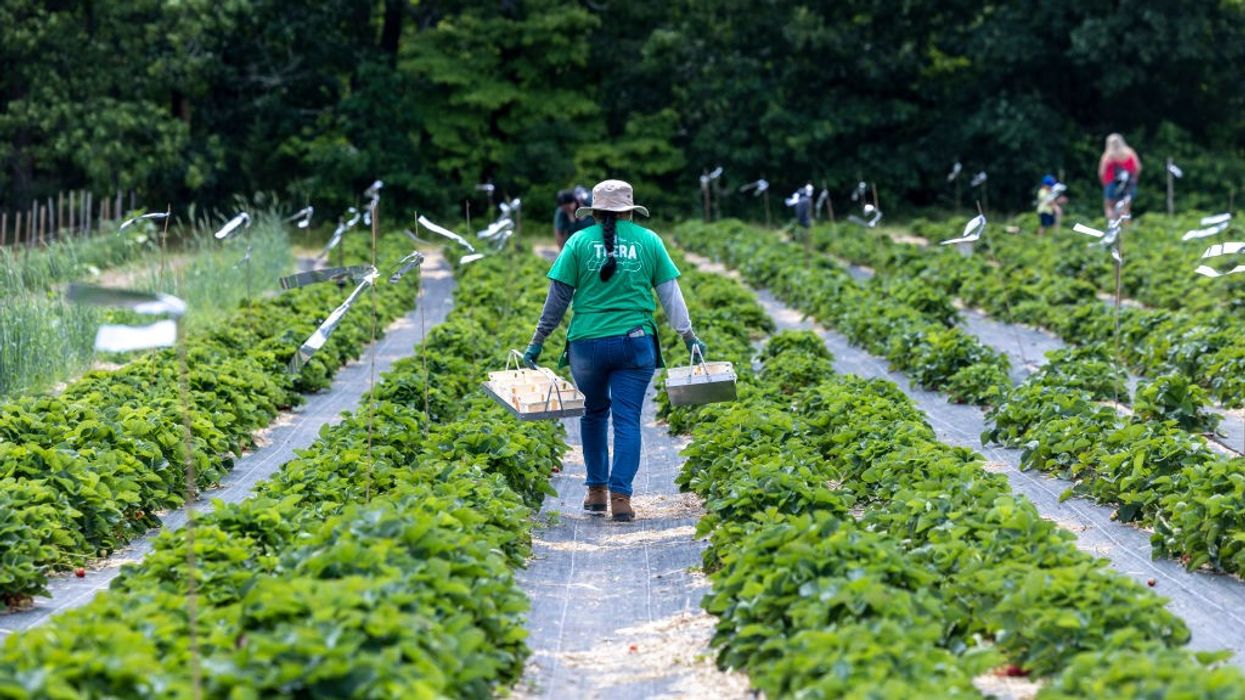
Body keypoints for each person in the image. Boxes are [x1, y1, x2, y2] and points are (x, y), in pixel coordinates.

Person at [523, 179, 706, 522]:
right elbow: (670, 295)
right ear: (629, 212)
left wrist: (537, 341)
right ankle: (621, 499)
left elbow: (557, 299)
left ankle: (595, 493)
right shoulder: (649, 241)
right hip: (634, 343)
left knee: (593, 415)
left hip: (586, 345)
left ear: (595, 212)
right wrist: (689, 337)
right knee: (627, 420)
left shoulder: (577, 241)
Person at [1098, 133, 1140, 220]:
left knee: (1110, 208)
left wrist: (1105, 185)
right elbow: (1138, 168)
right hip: (1128, 185)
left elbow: (1102, 173)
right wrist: (1134, 180)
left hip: (1111, 184)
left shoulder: (1107, 156)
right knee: (1125, 209)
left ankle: (1112, 229)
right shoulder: (1130, 153)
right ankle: (1126, 231)